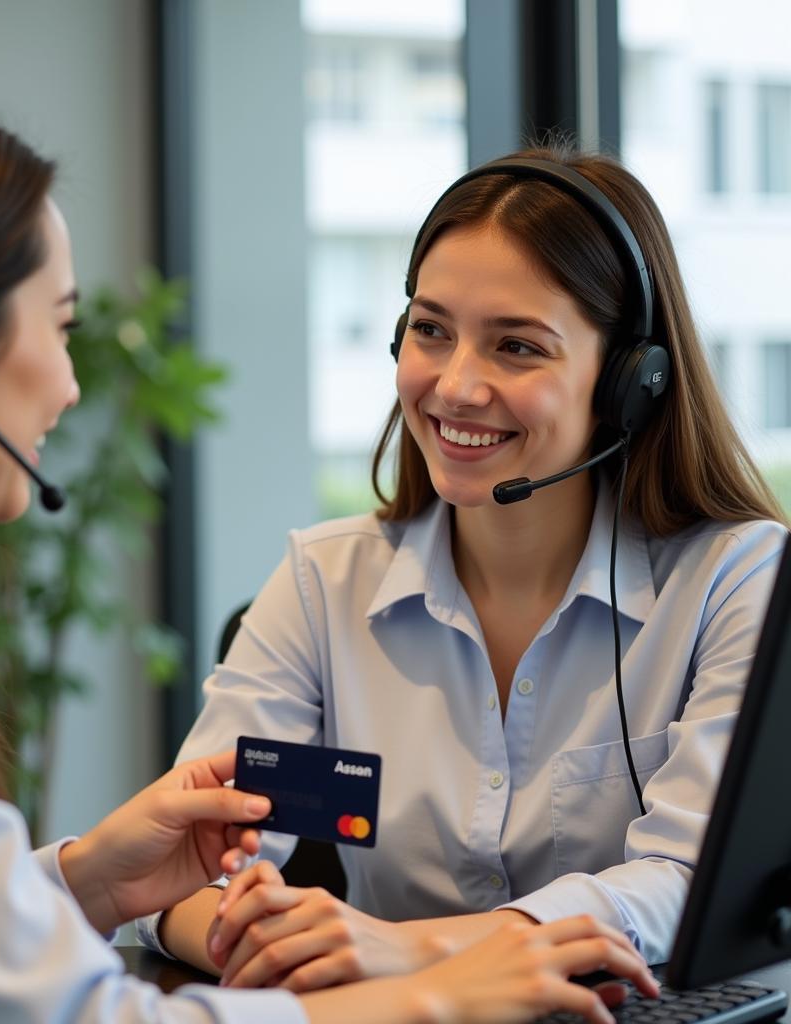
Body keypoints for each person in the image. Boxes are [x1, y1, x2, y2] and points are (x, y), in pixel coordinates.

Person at [0, 86, 658, 1024]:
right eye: (61, 327)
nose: (72, 385)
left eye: (518, 346)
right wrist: (430, 995)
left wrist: (87, 879)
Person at [143, 147, 789, 993]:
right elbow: (177, 869)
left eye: (517, 346)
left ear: (632, 381)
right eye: (430, 329)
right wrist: (255, 933)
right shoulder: (323, 584)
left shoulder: (736, 583)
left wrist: (412, 951)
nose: (455, 386)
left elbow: (689, 882)